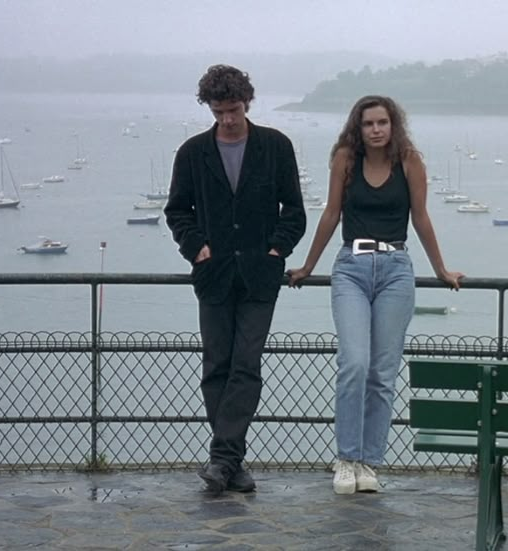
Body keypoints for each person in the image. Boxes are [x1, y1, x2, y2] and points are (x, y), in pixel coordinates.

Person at [286, 95, 464, 495]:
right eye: (368, 123)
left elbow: (420, 218)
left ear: (393, 124)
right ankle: (346, 459)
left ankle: (369, 462)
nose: (376, 129)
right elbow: (331, 214)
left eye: (383, 122)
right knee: (355, 363)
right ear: (359, 127)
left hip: (397, 270)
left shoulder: (410, 161)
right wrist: (308, 266)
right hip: (351, 267)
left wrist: (440, 269)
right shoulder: (346, 160)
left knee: (383, 373)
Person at [164, 64, 306, 495]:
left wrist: (277, 249)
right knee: (217, 366)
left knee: (246, 363)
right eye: (219, 111)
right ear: (209, 107)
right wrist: (197, 248)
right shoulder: (191, 153)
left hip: (261, 276)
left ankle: (221, 460)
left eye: (235, 109)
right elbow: (177, 211)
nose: (227, 118)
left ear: (248, 103)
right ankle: (231, 463)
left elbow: (295, 211)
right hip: (213, 274)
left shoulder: (276, 146)